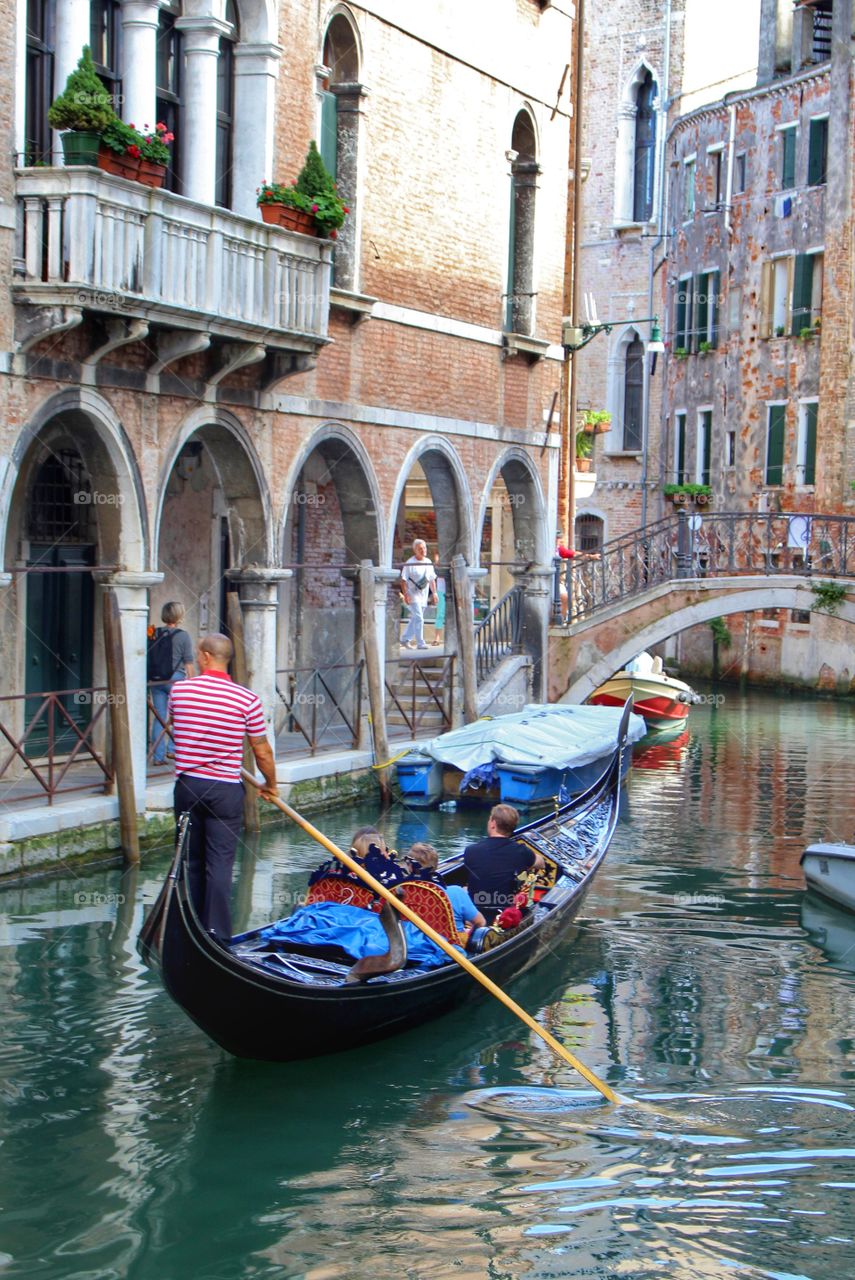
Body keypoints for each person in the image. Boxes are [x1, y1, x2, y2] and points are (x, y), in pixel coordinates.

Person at [168, 632, 278, 941]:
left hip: (188, 786)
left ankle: (187, 929)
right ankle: (215, 932)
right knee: (219, 864)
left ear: (204, 656)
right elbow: (261, 750)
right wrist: (271, 785)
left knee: (189, 860)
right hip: (225, 790)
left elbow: (179, 726)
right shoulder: (247, 699)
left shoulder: (179, 691)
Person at [463, 803, 544, 924]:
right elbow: (541, 863)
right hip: (504, 914)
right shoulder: (521, 852)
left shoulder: (470, 850)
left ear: (493, 823)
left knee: (463, 889)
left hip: (475, 914)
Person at [148, 601, 194, 764]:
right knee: (180, 716)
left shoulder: (153, 632)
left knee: (159, 718)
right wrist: (193, 682)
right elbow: (188, 662)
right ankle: (173, 750)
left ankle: (157, 757)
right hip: (175, 679)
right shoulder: (183, 635)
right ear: (179, 615)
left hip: (155, 680)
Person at [406, 842, 486, 935]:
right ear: (435, 866)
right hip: (448, 947)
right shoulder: (456, 893)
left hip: (408, 947)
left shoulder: (399, 893)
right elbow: (481, 922)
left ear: (410, 867)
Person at [400, 539, 437, 650]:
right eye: (420, 549)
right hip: (412, 595)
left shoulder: (428, 562)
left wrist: (435, 593)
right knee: (419, 618)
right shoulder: (410, 563)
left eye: (424, 548)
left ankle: (405, 639)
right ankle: (421, 643)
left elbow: (432, 579)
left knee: (416, 618)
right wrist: (406, 594)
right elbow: (403, 580)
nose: (423, 550)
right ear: (415, 550)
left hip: (423, 595)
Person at [431, 553, 446, 647]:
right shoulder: (437, 568)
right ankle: (437, 638)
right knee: (440, 614)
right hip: (441, 590)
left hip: (452, 589)